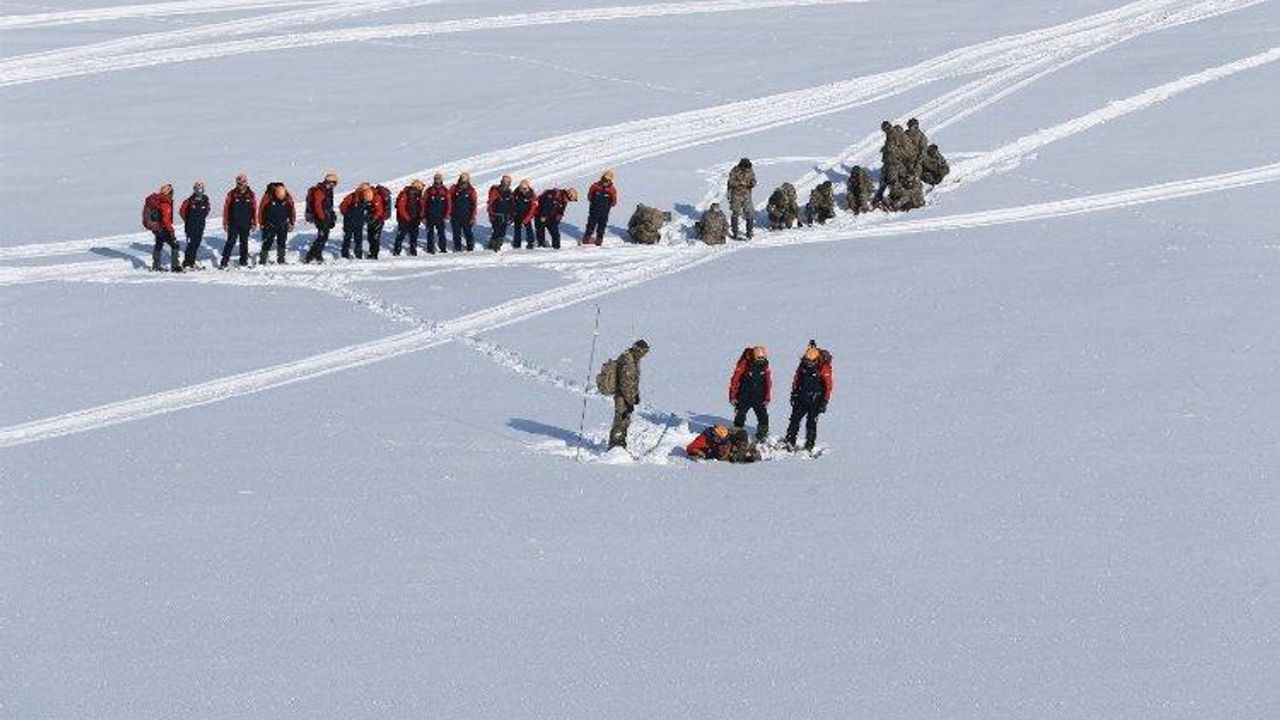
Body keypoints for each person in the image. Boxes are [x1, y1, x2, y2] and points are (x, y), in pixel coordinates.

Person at [783, 341, 833, 452]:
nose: (809, 363)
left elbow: (828, 386)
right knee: (794, 420)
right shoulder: (803, 365)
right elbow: (797, 379)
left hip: (816, 400)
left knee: (811, 423)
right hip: (801, 397)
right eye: (807, 361)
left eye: (812, 362)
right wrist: (794, 393)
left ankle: (809, 445)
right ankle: (790, 441)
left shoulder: (824, 368)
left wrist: (824, 401)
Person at [608, 339, 649, 450]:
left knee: (625, 420)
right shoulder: (628, 361)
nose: (644, 355)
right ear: (637, 349)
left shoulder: (634, 359)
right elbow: (626, 384)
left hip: (626, 396)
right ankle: (616, 444)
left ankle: (620, 441)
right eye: (643, 351)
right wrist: (630, 400)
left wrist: (636, 395)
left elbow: (634, 381)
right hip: (622, 397)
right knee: (620, 420)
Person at [729, 345, 771, 441]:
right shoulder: (744, 363)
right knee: (740, 415)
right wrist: (732, 396)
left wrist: (767, 397)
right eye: (758, 358)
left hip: (759, 396)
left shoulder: (765, 365)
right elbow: (735, 379)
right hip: (744, 395)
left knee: (763, 416)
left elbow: (768, 382)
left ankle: (762, 435)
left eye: (762, 358)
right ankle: (737, 435)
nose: (760, 360)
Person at [142, 183, 182, 272]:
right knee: (174, 245)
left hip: (156, 228)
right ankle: (175, 266)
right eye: (171, 192)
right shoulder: (165, 202)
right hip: (162, 228)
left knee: (159, 243)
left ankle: (156, 265)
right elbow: (166, 220)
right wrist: (171, 231)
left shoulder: (158, 199)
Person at [221, 173, 256, 268]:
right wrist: (225, 222)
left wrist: (254, 222)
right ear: (237, 183)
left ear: (246, 182)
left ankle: (243, 262)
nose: (241, 185)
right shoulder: (232, 194)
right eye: (239, 183)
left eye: (243, 182)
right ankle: (224, 262)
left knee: (244, 242)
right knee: (231, 241)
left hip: (246, 223)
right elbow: (226, 208)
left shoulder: (250, 194)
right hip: (233, 223)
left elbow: (254, 208)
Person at [257, 181, 295, 265]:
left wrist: (292, 222)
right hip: (270, 224)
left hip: (283, 224)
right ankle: (262, 260)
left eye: (282, 197)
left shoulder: (287, 197)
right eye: (279, 197)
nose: (281, 198)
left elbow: (291, 210)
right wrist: (261, 223)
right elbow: (261, 210)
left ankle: (281, 259)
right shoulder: (268, 197)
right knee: (267, 242)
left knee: (282, 242)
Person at [303, 172, 338, 263]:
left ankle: (317, 255)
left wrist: (332, 216)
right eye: (334, 183)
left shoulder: (328, 191)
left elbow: (328, 205)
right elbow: (317, 206)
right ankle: (309, 256)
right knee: (321, 237)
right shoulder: (320, 191)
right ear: (329, 182)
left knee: (324, 237)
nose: (334, 185)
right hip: (320, 218)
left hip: (325, 216)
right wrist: (322, 218)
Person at [686, 425, 760, 463]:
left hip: (726, 446)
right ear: (715, 436)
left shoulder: (724, 433)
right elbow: (690, 447)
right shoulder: (703, 439)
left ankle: (751, 452)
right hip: (715, 452)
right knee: (727, 454)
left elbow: (741, 432)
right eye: (720, 439)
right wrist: (699, 452)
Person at [178, 181, 210, 268]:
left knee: (196, 243)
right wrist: (188, 220)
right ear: (194, 189)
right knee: (191, 244)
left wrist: (201, 219)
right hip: (190, 226)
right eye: (198, 188)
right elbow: (182, 212)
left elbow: (207, 210)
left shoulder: (205, 200)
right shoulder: (189, 201)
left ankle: (192, 262)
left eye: (201, 189)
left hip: (200, 226)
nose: (199, 190)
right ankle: (187, 263)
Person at [340, 183, 375, 259]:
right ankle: (345, 255)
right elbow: (342, 207)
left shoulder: (366, 196)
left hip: (357, 222)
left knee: (357, 239)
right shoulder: (352, 197)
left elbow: (367, 210)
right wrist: (347, 215)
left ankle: (357, 255)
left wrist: (366, 218)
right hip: (350, 222)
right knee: (348, 238)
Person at [583, 170, 618, 245]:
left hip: (604, 212)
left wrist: (609, 205)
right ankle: (587, 237)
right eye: (604, 179)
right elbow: (590, 196)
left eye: (607, 180)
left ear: (610, 181)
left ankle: (599, 239)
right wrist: (593, 202)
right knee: (591, 224)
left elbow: (614, 201)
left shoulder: (612, 189)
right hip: (593, 210)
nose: (605, 181)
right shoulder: (595, 186)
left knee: (602, 225)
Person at [726, 157, 756, 240]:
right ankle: (735, 232)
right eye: (745, 167)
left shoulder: (750, 170)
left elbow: (754, 180)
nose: (747, 169)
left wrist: (752, 183)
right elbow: (730, 182)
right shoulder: (734, 170)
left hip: (747, 194)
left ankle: (749, 231)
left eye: (748, 168)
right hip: (736, 195)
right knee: (736, 213)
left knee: (749, 212)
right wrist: (740, 183)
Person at [393, 179, 425, 256]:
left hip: (415, 218)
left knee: (414, 235)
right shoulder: (405, 194)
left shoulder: (419, 195)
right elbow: (401, 207)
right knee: (401, 235)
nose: (422, 188)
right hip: (404, 219)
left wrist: (421, 215)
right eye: (420, 187)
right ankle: (397, 250)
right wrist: (407, 217)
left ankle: (413, 249)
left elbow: (421, 206)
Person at [423, 172, 451, 253]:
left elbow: (449, 204)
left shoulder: (445, 190)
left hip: (440, 216)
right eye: (436, 179)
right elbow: (424, 203)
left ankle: (443, 248)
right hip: (430, 216)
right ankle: (430, 249)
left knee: (441, 233)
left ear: (441, 180)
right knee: (430, 234)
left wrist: (447, 214)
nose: (437, 180)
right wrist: (423, 216)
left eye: (439, 179)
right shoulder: (429, 190)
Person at [449, 172, 478, 251]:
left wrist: (473, 217)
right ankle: (457, 248)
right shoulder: (454, 188)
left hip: (467, 216)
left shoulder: (471, 190)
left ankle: (470, 247)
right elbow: (449, 201)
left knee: (468, 233)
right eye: (462, 180)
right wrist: (449, 213)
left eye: (466, 181)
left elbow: (474, 204)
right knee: (456, 234)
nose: (464, 183)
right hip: (455, 215)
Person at [487, 175, 516, 251]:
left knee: (503, 231)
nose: (506, 183)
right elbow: (490, 202)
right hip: (496, 215)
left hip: (506, 215)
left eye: (508, 182)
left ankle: (499, 243)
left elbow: (512, 204)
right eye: (504, 181)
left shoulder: (510, 192)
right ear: (502, 182)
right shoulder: (495, 191)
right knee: (496, 230)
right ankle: (492, 244)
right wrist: (490, 214)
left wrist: (512, 215)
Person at [511, 179, 538, 249]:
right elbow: (512, 203)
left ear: (528, 187)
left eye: (525, 188)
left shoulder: (532, 195)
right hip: (517, 214)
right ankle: (517, 244)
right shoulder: (516, 193)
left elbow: (533, 208)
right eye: (521, 188)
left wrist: (528, 218)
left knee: (529, 229)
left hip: (527, 215)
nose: (522, 190)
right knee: (517, 229)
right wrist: (513, 213)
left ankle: (531, 243)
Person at [367, 184, 391, 259]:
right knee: (370, 237)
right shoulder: (370, 194)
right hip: (372, 219)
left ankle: (374, 254)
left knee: (375, 237)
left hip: (378, 221)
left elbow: (379, 211)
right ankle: (372, 252)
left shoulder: (376, 197)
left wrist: (373, 218)